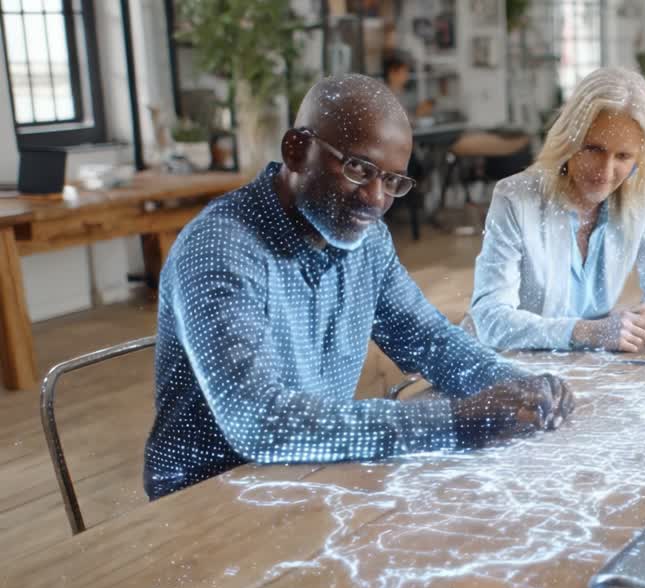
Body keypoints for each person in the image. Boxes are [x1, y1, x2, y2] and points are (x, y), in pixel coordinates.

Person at [144, 75, 574, 499]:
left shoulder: (367, 242)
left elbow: (429, 340)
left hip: (310, 473)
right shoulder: (221, 248)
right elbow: (261, 423)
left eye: (391, 181)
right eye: (357, 168)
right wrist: (455, 421)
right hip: (211, 498)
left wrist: (522, 387)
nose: (374, 198)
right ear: (296, 150)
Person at [469, 66, 645, 352]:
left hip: (584, 365)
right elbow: (491, 320)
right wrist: (586, 331)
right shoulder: (515, 198)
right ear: (569, 139)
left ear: (639, 159)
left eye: (622, 156)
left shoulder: (641, 200)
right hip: (507, 363)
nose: (605, 172)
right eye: (594, 149)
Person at [383, 55, 434, 120]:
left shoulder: (405, 94)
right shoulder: (385, 97)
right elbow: (397, 121)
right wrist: (417, 114)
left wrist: (420, 111)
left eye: (407, 72)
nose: (406, 76)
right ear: (392, 73)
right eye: (403, 72)